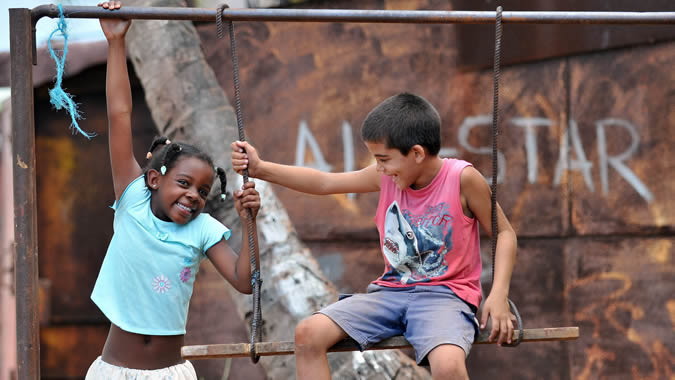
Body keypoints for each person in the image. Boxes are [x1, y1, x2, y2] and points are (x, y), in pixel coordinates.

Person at [231, 92, 517, 380]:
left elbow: (504, 233)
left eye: (383, 159)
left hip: (446, 296)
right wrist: (259, 169)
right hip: (390, 294)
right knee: (308, 334)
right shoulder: (386, 177)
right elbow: (324, 182)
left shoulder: (463, 179)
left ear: (416, 153)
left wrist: (499, 294)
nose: (379, 168)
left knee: (448, 366)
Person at [86, 2, 261, 379]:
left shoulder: (203, 230)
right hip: (116, 371)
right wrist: (117, 42)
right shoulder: (132, 199)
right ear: (154, 180)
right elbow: (120, 115)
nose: (194, 196)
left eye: (202, 191)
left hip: (170, 373)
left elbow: (245, 282)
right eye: (184, 183)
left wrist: (250, 224)